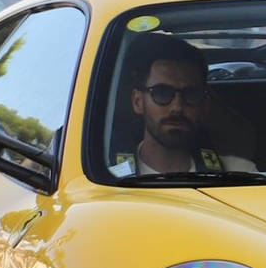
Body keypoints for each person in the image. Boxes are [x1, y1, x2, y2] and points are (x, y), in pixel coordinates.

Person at [109, 39, 254, 176]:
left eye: (191, 94)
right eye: (162, 93)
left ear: (204, 105)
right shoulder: (106, 179)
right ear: (137, 101)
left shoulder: (239, 174)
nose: (177, 107)